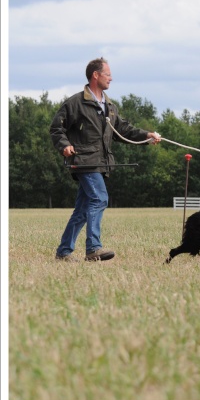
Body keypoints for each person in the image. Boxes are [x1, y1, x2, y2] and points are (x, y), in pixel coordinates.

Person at [50, 57, 161, 262]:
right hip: (84, 162)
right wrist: (65, 145)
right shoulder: (75, 103)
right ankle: (93, 248)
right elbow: (57, 128)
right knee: (99, 199)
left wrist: (147, 136)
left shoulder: (109, 106)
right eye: (108, 74)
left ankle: (63, 252)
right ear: (96, 75)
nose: (111, 78)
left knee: (83, 210)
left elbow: (122, 130)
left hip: (101, 163)